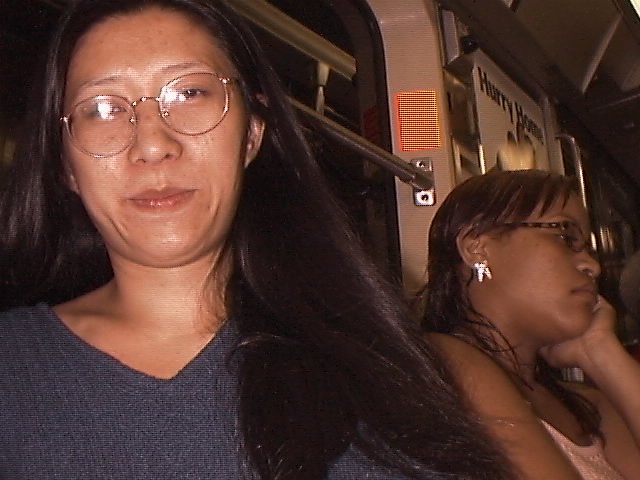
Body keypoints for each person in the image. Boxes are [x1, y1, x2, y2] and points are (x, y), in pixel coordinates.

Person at [0, 0, 517, 478]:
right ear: (65, 164)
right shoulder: (14, 365)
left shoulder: (380, 366)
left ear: (252, 135)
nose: (152, 144)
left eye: (190, 93)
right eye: (102, 108)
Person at [418, 169, 640, 479]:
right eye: (565, 236)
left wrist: (601, 351)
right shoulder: (447, 363)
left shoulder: (589, 408)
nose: (592, 266)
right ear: (476, 246)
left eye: (589, 249)